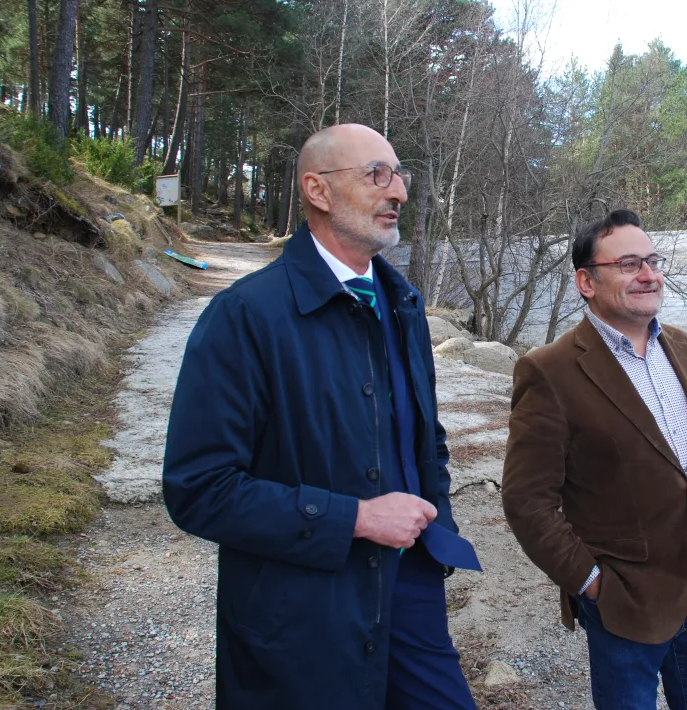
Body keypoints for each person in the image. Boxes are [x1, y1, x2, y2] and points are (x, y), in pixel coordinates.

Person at [162, 123, 480, 710]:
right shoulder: (245, 316)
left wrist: (439, 534)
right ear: (318, 190)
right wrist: (355, 518)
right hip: (299, 613)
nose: (399, 192)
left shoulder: (403, 303)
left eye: (400, 174)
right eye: (376, 175)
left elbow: (424, 440)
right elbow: (199, 490)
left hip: (408, 590)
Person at [501, 209, 687, 710]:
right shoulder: (549, 370)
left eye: (654, 261)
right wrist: (589, 582)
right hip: (624, 599)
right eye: (630, 263)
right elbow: (527, 500)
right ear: (586, 281)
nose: (649, 275)